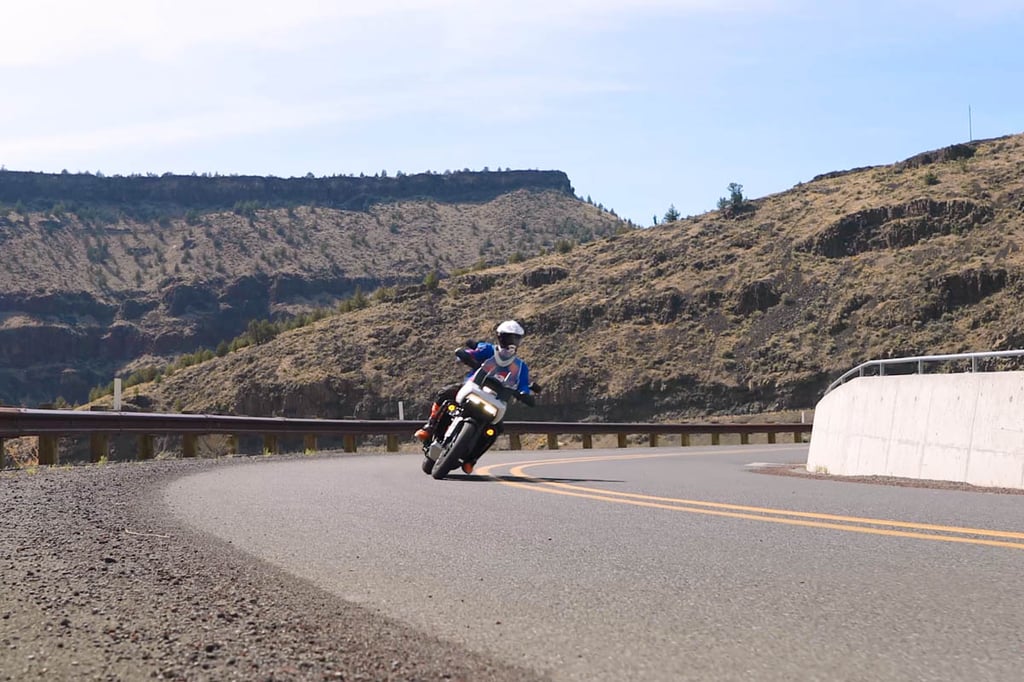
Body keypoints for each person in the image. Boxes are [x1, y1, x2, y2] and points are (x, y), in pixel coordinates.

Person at [415, 319, 535, 473]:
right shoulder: (488, 350)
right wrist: (464, 355)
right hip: (473, 387)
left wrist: (525, 394)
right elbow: (472, 353)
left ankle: (471, 459)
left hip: (496, 400)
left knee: (496, 429)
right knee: (445, 394)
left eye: (515, 338)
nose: (511, 342)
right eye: (507, 337)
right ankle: (430, 427)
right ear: (499, 337)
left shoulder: (520, 366)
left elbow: (523, 385)